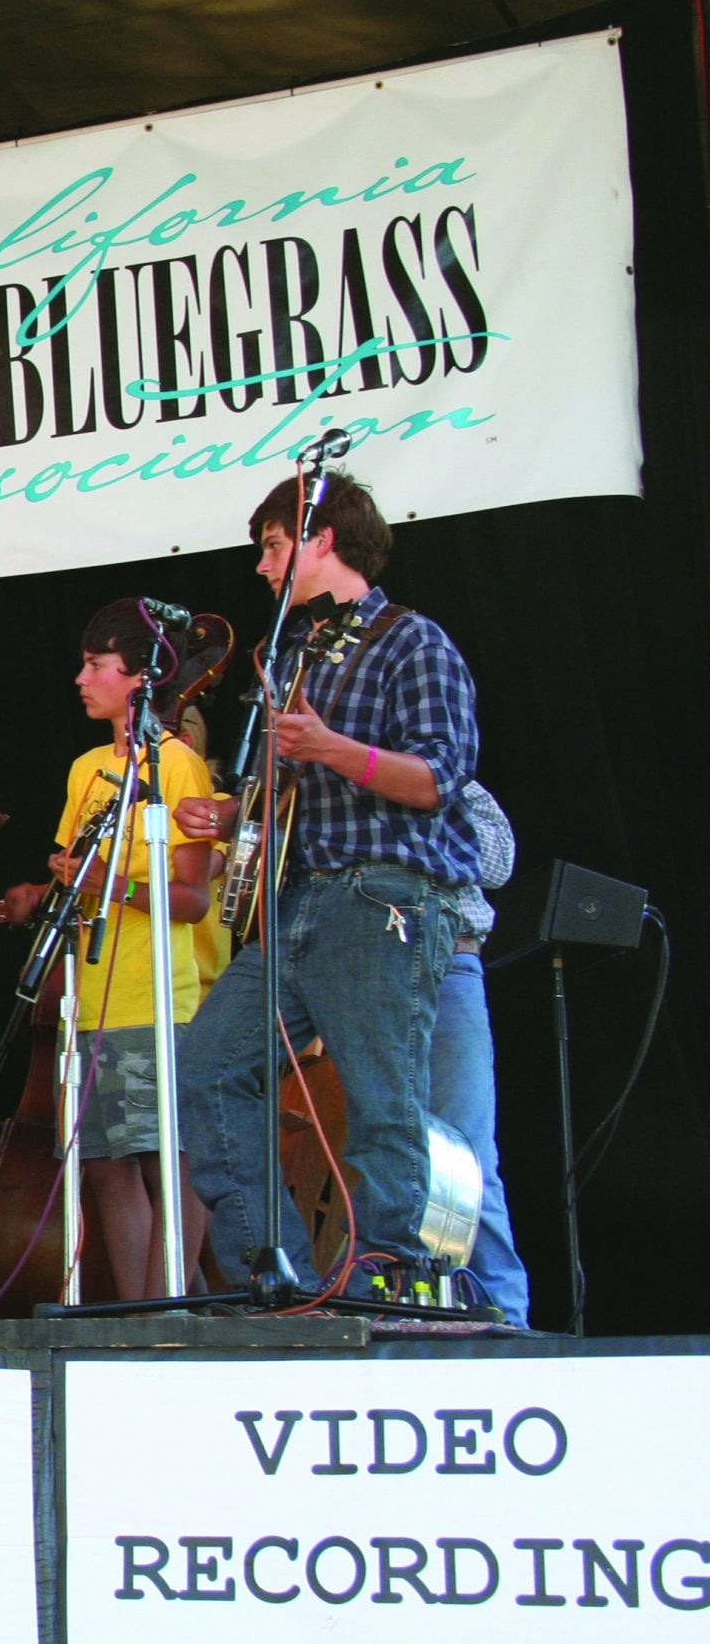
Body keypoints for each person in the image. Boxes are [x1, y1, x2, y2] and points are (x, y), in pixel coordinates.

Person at [175, 469, 479, 1291]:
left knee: (383, 1102)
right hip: (301, 900)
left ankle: (392, 1279)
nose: (265, 568)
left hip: (385, 899)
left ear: (324, 538)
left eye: (274, 546)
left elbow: (440, 778)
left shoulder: (414, 642)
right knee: (206, 1066)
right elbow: (298, 796)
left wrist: (329, 747)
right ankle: (277, 1274)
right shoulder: (303, 652)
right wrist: (233, 818)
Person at [0, 601, 214, 1300]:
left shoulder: (178, 763)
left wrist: (112, 883)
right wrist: (63, 879)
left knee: (166, 1162)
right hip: (89, 998)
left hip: (156, 997)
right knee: (107, 1166)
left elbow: (193, 899)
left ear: (140, 675)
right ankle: (139, 1310)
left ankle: (167, 1307)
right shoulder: (87, 766)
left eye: (96, 664)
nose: (82, 677)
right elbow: (74, 865)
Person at [433, 780, 530, 1324]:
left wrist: (405, 799)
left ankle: (505, 1315)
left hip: (449, 959)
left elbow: (497, 861)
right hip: (357, 972)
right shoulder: (316, 781)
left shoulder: (450, 777)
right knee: (381, 1154)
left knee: (467, 1155)